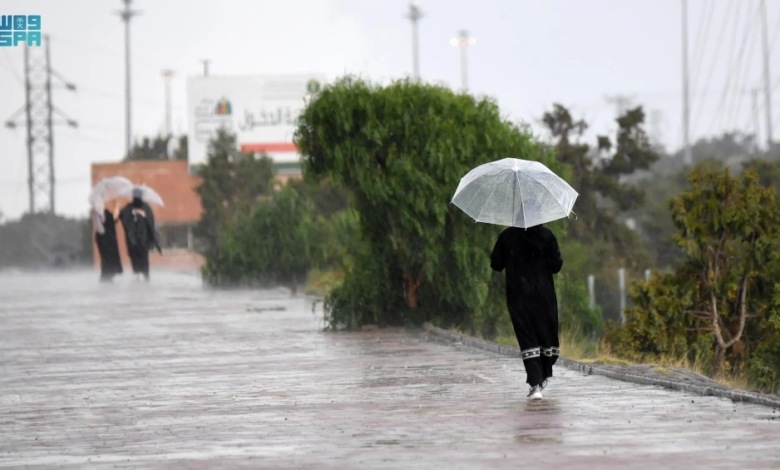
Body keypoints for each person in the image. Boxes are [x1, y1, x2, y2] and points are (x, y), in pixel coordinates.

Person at [490, 204, 563, 400]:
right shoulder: (547, 236)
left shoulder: (507, 237)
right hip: (544, 297)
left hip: (518, 296)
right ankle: (542, 375)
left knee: (527, 338)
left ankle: (536, 383)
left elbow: (495, 264)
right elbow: (556, 266)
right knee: (545, 336)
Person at [119, 189, 162, 281]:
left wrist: (144, 215)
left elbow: (151, 222)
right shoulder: (128, 207)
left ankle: (146, 280)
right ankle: (137, 281)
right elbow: (122, 216)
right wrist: (133, 214)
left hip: (143, 241)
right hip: (132, 241)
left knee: (144, 263)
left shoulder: (146, 207)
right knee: (135, 265)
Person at [92, 201, 123, 282]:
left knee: (111, 257)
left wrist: (116, 207)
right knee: (106, 258)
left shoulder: (105, 212)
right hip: (104, 239)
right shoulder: (97, 213)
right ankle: (106, 276)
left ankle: (110, 275)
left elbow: (114, 219)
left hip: (109, 237)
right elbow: (100, 227)